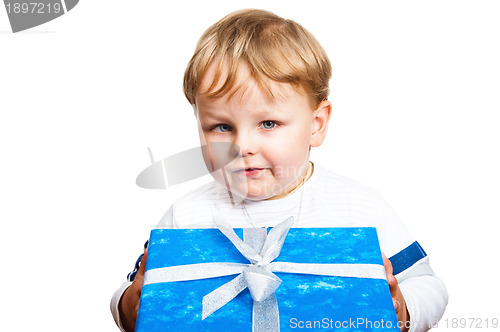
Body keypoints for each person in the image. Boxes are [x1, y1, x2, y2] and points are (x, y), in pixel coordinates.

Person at [111, 9, 448, 332]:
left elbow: (427, 284)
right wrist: (130, 308)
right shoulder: (187, 214)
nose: (242, 146)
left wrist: (403, 310)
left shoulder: (359, 206)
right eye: (221, 127)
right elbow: (131, 292)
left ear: (316, 124)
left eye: (268, 123)